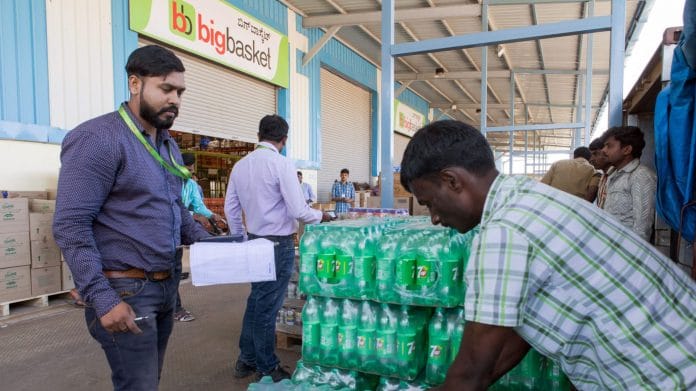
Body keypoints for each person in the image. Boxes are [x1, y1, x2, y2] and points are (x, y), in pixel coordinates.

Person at [399, 120, 696, 390]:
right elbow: (514, 336)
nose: (433, 219)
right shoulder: (530, 199)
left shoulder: (503, 232)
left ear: (452, 181)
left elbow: (471, 372)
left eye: (429, 203)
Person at [52, 45, 210, 391]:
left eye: (180, 92)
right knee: (138, 385)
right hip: (125, 289)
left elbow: (174, 207)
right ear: (135, 84)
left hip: (166, 284)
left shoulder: (165, 142)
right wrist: (103, 298)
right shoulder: (98, 139)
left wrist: (217, 244)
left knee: (147, 380)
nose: (175, 100)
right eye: (165, 89)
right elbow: (70, 225)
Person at [224, 114, 333, 382]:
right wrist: (323, 216)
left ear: (259, 134)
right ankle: (267, 365)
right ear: (283, 139)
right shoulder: (281, 164)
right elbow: (299, 210)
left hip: (254, 240)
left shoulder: (240, 166)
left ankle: (245, 360)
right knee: (268, 308)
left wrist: (240, 237)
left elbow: (231, 208)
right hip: (277, 244)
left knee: (256, 301)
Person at [601, 126, 657, 242]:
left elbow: (642, 228)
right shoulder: (613, 175)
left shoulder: (641, 175)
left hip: (626, 250)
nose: (604, 150)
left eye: (609, 146)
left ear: (627, 150)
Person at [588, 135, 613, 209]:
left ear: (607, 153)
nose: (591, 159)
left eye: (595, 154)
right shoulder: (603, 177)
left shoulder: (617, 177)